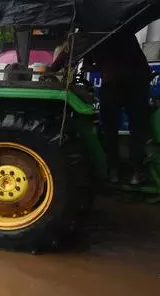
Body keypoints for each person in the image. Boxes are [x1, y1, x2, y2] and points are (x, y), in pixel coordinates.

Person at [52, 32, 151, 184]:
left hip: (117, 82)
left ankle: (114, 171)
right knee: (137, 128)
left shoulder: (92, 30)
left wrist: (51, 71)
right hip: (136, 80)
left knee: (110, 128)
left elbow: (68, 54)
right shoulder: (122, 24)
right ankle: (136, 172)